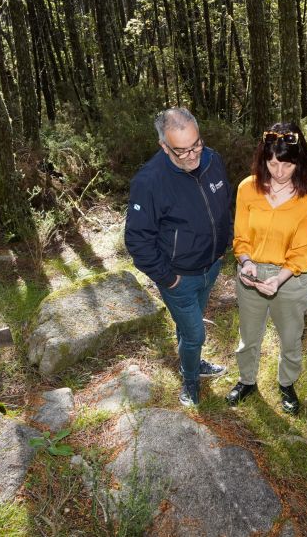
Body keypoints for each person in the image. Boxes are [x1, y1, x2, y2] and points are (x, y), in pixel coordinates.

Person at [124, 107, 231, 406]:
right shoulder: (149, 181)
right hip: (179, 276)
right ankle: (190, 379)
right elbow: (137, 239)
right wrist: (169, 278)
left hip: (212, 266)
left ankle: (191, 361)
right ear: (164, 146)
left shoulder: (213, 160)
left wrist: (225, 243)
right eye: (181, 150)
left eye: (196, 144)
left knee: (187, 327)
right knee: (195, 334)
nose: (192, 155)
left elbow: (225, 205)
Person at [225, 122, 307, 415]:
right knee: (248, 334)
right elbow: (241, 237)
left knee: (291, 336)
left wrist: (278, 279)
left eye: (287, 164)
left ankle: (287, 384)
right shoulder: (247, 188)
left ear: (299, 162)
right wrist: (247, 263)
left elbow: (303, 249)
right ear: (263, 159)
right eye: (272, 162)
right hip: (251, 274)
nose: (279, 171)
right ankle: (246, 381)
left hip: (290, 278)